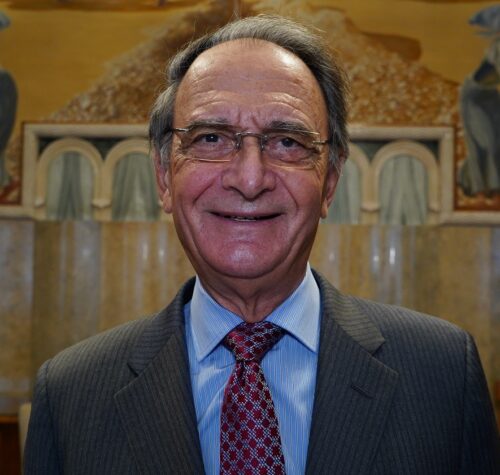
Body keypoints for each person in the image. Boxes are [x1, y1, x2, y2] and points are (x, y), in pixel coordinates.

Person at [24, 15, 498, 475]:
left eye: (287, 142)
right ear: (164, 176)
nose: (250, 179)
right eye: (211, 137)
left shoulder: (442, 376)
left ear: (330, 181)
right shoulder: (69, 396)